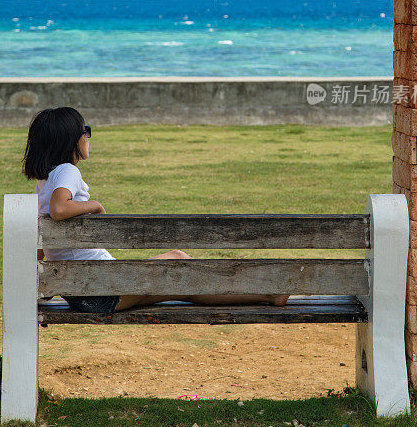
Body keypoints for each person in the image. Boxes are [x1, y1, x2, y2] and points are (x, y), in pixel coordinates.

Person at [23, 106, 289, 314]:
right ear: (70, 139)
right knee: (181, 265)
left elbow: (41, 245)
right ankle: (268, 294)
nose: (87, 136)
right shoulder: (67, 171)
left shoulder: (44, 182)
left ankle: (267, 294)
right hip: (102, 289)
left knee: (181, 272)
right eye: (85, 130)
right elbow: (59, 209)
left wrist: (49, 285)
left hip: (87, 290)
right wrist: (96, 205)